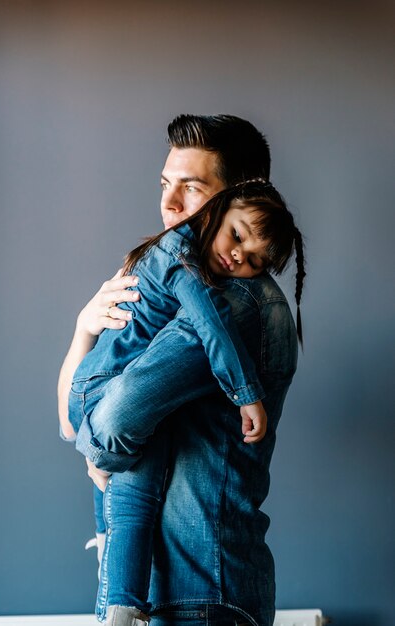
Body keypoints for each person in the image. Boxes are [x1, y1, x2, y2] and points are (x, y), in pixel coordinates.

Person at [58, 115, 304, 626]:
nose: (170, 204)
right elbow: (71, 423)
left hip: (199, 597)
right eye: (166, 184)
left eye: (191, 189)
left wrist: (101, 453)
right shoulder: (169, 281)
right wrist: (84, 327)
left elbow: (107, 425)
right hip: (171, 598)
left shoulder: (235, 301)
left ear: (239, 199)